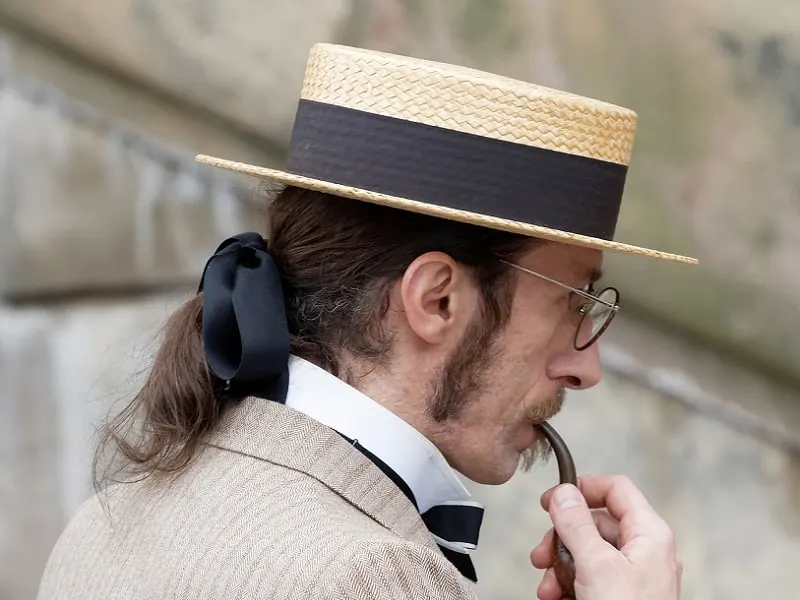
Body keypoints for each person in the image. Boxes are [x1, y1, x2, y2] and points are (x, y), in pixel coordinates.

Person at [37, 43, 695, 599]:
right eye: (572, 302)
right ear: (438, 300)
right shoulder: (373, 576)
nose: (587, 368)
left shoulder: (107, 516)